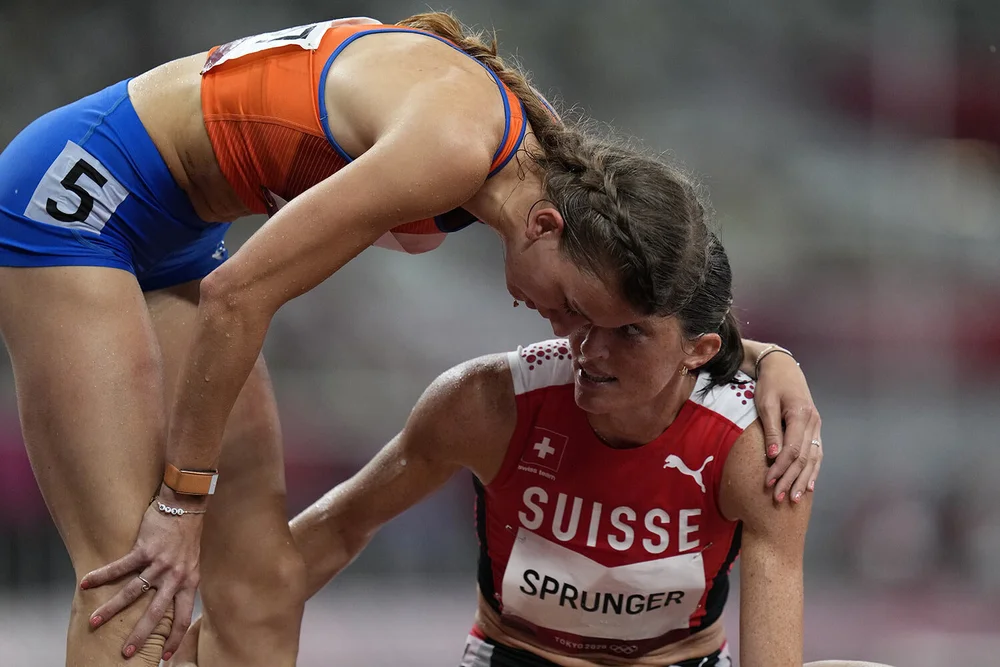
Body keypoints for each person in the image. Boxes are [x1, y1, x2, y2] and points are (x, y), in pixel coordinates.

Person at [0, 11, 821, 666]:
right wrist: (180, 502)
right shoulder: (455, 149)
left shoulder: (520, 171)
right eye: (572, 307)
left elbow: (662, 307)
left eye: (600, 327)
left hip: (178, 228)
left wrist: (759, 357)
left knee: (264, 581)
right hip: (77, 196)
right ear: (545, 226)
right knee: (136, 582)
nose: (570, 337)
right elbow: (235, 297)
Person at [172, 230, 813, 667]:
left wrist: (775, 358)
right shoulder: (487, 403)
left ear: (699, 351)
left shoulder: (753, 447)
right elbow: (339, 526)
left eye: (631, 335)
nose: (592, 352)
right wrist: (209, 641)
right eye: (584, 316)